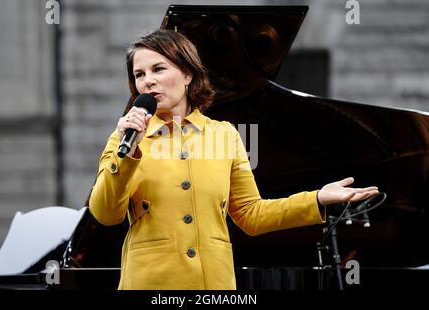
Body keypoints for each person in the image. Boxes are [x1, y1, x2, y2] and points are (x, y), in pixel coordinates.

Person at [88, 29, 379, 290]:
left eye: (158, 69)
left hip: (215, 285)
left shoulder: (223, 135)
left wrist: (316, 199)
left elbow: (252, 215)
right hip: (150, 284)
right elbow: (105, 213)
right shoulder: (123, 138)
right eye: (139, 74)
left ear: (188, 74)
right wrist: (127, 154)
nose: (148, 81)